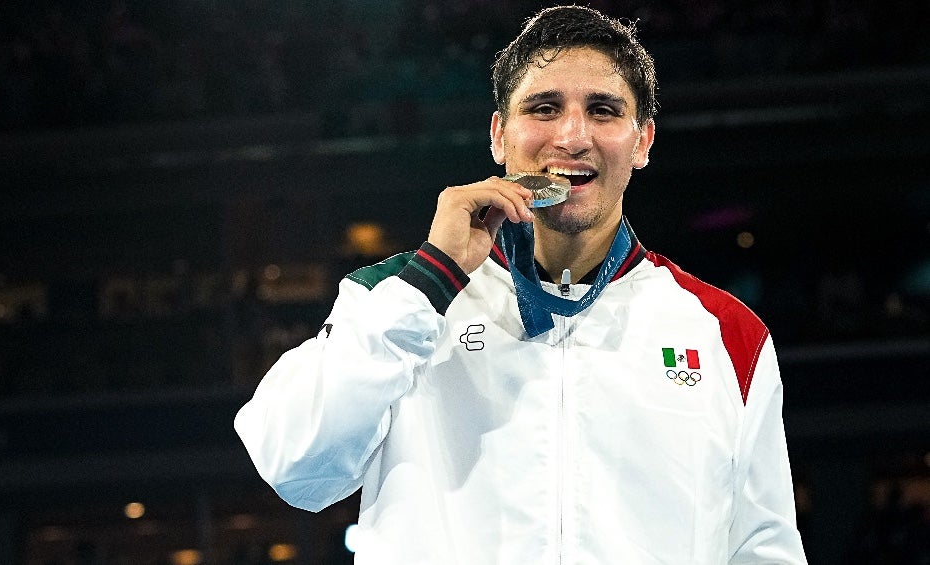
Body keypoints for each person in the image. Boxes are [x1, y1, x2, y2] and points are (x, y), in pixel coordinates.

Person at [234, 6, 808, 563]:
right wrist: (432, 281)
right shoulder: (396, 296)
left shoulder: (727, 335)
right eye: (545, 108)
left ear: (642, 142)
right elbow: (294, 466)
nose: (573, 136)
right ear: (499, 135)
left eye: (603, 110)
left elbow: (763, 550)